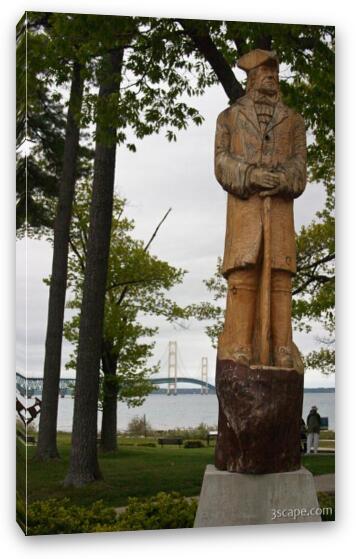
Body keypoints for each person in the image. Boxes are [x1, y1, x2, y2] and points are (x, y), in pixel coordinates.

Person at [215, 49, 307, 367]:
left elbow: (299, 165)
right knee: (243, 276)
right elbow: (221, 163)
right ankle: (239, 344)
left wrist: (281, 180)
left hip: (279, 214)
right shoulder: (229, 117)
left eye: (275, 71)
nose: (271, 76)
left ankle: (281, 347)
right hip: (245, 214)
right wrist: (252, 175)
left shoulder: (294, 120)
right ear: (251, 78)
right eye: (265, 71)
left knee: (281, 278)